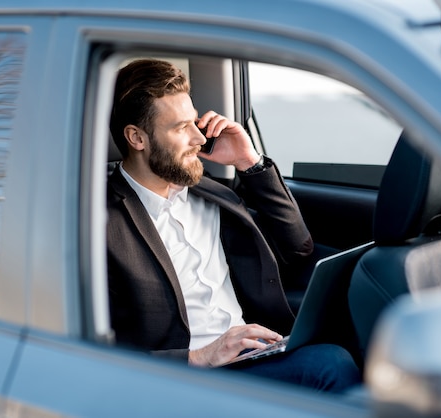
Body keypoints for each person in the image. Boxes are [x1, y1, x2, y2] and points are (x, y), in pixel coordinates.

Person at [106, 58, 361, 392]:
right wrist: (201, 356)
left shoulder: (211, 193)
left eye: (195, 123)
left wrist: (248, 161)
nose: (199, 138)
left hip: (250, 357)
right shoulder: (101, 222)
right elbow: (97, 348)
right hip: (181, 381)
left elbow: (298, 248)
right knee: (330, 366)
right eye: (181, 128)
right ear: (137, 138)